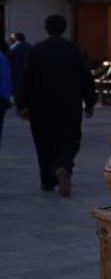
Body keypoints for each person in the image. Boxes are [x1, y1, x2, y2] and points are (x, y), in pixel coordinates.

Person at [15, 15, 95, 195]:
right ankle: (64, 166)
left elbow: (25, 79)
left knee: (44, 143)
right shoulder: (76, 50)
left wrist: (22, 104)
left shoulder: (36, 50)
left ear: (46, 28)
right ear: (64, 28)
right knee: (70, 140)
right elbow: (86, 78)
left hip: (41, 106)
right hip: (69, 106)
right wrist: (90, 102)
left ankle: (48, 181)